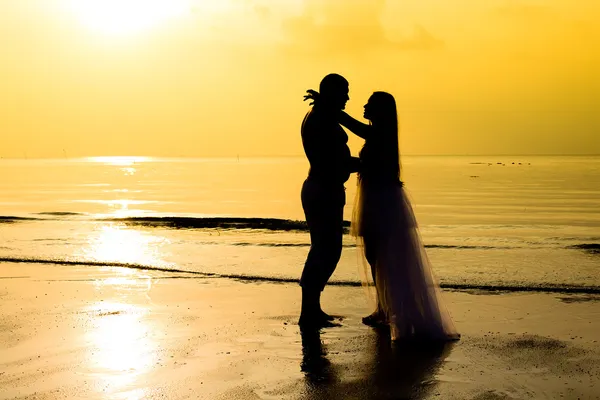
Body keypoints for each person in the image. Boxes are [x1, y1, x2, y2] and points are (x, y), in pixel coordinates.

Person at [305, 89, 460, 341]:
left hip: (380, 201)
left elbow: (356, 128)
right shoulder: (379, 134)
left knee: (380, 257)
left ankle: (386, 309)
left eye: (370, 104)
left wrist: (329, 106)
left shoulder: (379, 132)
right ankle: (384, 308)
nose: (364, 106)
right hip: (377, 198)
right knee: (375, 256)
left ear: (380, 110)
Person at [299, 74, 360, 328]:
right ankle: (309, 311)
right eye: (344, 92)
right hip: (323, 190)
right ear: (332, 92)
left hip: (324, 188)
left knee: (324, 250)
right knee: (326, 250)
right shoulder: (321, 119)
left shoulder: (323, 115)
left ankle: (312, 308)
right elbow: (335, 162)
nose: (347, 97)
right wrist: (369, 164)